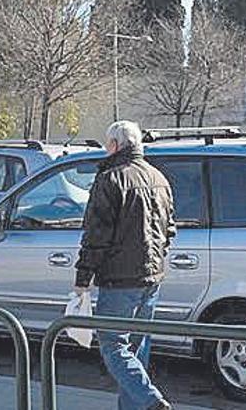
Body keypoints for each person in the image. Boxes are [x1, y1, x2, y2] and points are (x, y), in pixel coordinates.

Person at [74, 120, 176, 410]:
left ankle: (150, 401)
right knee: (137, 347)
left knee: (113, 345)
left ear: (116, 145)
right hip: (152, 277)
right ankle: (137, 406)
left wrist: (83, 278)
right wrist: (156, 258)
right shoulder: (159, 178)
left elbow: (97, 234)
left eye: (108, 144)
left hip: (120, 279)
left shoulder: (110, 179)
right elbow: (170, 229)